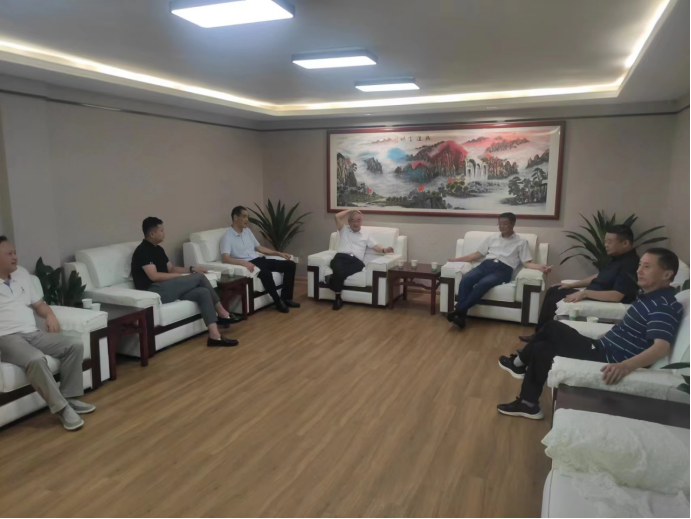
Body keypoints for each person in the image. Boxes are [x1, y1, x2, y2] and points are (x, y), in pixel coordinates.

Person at [497, 248, 684, 420]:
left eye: (647, 267)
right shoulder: (649, 297)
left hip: (607, 358)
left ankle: (520, 369)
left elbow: (661, 348)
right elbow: (631, 329)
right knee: (546, 340)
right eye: (640, 265)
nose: (639, 271)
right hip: (602, 347)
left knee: (548, 337)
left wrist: (625, 366)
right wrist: (607, 336)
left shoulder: (663, 306)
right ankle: (527, 398)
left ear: (666, 274)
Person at [0, 236, 95, 432]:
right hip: (7, 338)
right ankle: (62, 408)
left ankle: (69, 397)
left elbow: (38, 304)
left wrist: (50, 315)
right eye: (9, 254)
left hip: (33, 333)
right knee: (35, 358)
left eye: (15, 252)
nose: (15, 257)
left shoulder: (22, 274)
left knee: (74, 345)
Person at [519, 225, 640, 343]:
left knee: (555, 298)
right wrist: (572, 285)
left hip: (601, 299)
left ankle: (543, 338)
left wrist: (584, 293)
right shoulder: (617, 258)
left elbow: (617, 295)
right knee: (555, 290)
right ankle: (540, 335)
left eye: (609, 242)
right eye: (605, 241)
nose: (605, 245)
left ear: (625, 243)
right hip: (591, 293)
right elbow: (599, 276)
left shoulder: (629, 264)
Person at [132, 218, 239, 347]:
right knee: (199, 278)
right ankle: (222, 313)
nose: (164, 233)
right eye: (161, 230)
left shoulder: (158, 249)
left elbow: (172, 268)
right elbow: (154, 276)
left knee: (203, 292)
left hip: (168, 287)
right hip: (153, 291)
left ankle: (214, 336)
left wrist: (192, 269)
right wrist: (177, 277)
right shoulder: (142, 251)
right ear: (152, 233)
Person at [446, 213, 552, 329]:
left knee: (483, 284)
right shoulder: (492, 237)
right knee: (466, 279)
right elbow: (476, 255)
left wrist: (540, 267)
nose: (501, 226)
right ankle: (460, 318)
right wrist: (457, 259)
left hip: (503, 270)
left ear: (513, 223)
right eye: (499, 224)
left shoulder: (521, 242)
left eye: (505, 223)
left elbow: (527, 262)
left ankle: (458, 310)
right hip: (485, 265)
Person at [220, 206, 300, 314]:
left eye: (247, 217)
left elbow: (259, 248)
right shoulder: (227, 237)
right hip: (249, 264)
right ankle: (278, 302)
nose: (247, 220)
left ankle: (286, 299)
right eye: (244, 216)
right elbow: (225, 258)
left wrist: (278, 253)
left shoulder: (247, 231)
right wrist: (242, 262)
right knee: (266, 273)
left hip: (259, 259)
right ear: (235, 217)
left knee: (290, 265)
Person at [329, 209, 395, 311]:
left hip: (356, 261)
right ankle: (338, 298)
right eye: (353, 221)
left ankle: (330, 280)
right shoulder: (343, 229)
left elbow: (375, 246)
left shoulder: (366, 234)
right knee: (338, 267)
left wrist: (384, 250)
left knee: (340, 271)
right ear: (349, 222)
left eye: (358, 220)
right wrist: (350, 210)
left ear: (361, 221)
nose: (356, 223)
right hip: (341, 257)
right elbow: (336, 216)